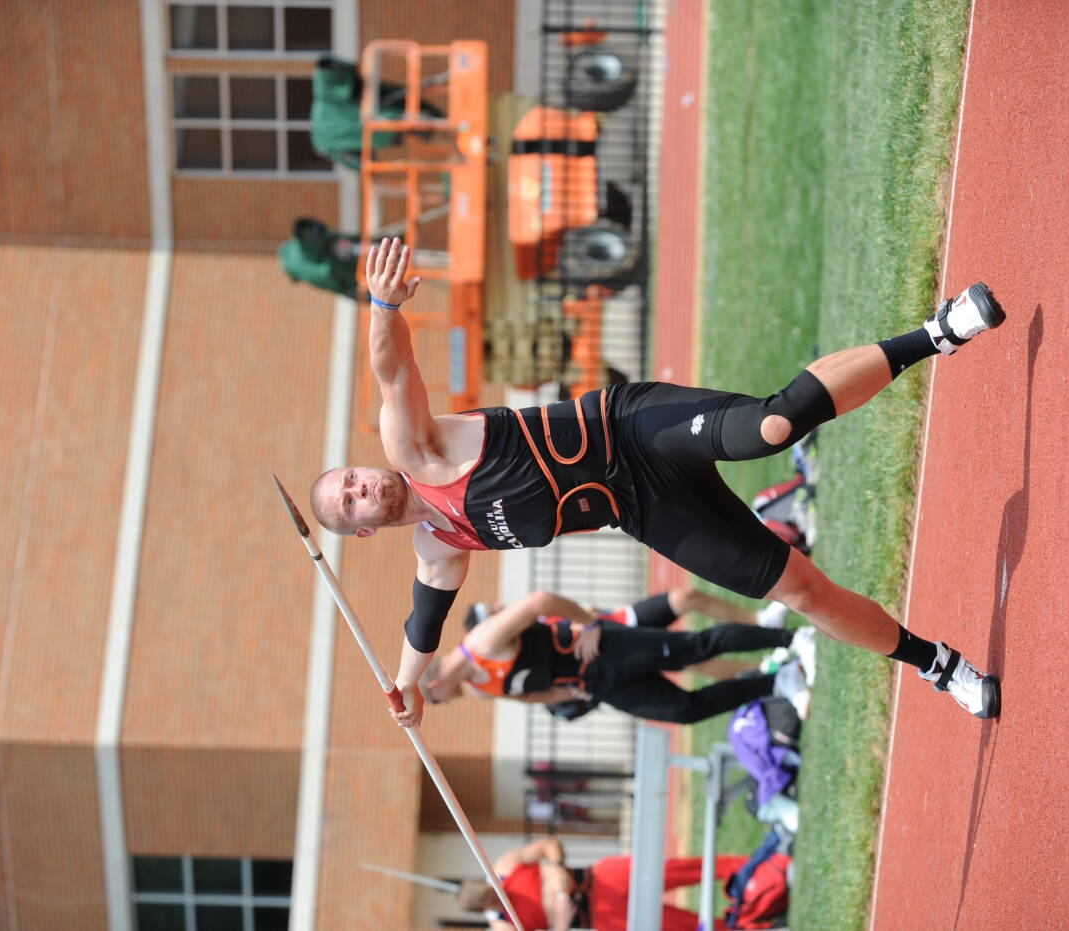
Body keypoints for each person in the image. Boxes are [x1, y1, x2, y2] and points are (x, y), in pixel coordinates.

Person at [310, 238, 1005, 727]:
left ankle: (937, 332)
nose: (360, 488)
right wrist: (405, 687)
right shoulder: (440, 542)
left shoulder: (414, 449)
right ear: (363, 527)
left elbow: (393, 371)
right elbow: (423, 624)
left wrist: (383, 308)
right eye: (349, 504)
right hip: (644, 506)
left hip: (630, 426)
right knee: (797, 589)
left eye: (350, 479)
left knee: (772, 426)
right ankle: (936, 664)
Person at [420, 589, 814, 725]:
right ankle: (778, 681)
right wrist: (572, 698)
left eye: (434, 700)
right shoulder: (481, 690)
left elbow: (540, 601)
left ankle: (792, 638)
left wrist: (590, 623)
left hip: (605, 645)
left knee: (696, 649)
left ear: (436, 684)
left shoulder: (482, 642)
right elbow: (531, 695)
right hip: (597, 684)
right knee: (683, 710)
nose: (441, 703)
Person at [457, 835, 751, 931]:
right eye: (491, 901)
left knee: (684, 869)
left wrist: (556, 866)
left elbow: (549, 843)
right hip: (602, 916)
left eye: (492, 891)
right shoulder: (502, 925)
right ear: (484, 909)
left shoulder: (505, 867)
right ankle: (750, 924)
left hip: (601, 878)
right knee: (682, 925)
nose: (498, 897)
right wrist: (560, 923)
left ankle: (751, 866)